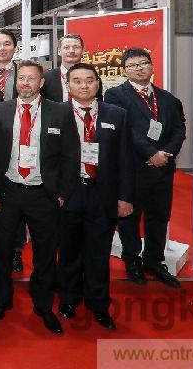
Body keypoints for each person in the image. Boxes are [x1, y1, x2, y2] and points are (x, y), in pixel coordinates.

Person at [0, 60, 79, 335]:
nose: (25, 83)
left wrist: (62, 192)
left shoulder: (60, 112)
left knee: (45, 253)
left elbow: (70, 155)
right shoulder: (1, 110)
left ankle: (43, 305)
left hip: (44, 194)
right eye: (21, 78)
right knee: (2, 250)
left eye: (31, 78)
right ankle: (2, 299)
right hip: (8, 192)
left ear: (41, 83)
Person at [57, 63, 133, 331]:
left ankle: (99, 304)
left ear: (98, 84)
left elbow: (126, 159)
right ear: (68, 84)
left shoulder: (117, 115)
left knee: (99, 253)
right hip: (68, 194)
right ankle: (68, 299)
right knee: (68, 251)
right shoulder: (57, 113)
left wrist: (125, 197)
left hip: (103, 194)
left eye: (89, 80)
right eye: (77, 81)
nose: (84, 85)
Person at [104, 48, 186, 289]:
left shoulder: (167, 98)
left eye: (143, 63)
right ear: (124, 70)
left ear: (151, 66)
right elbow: (124, 129)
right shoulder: (115, 95)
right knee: (129, 218)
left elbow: (179, 129)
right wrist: (151, 153)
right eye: (132, 65)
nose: (139, 68)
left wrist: (166, 153)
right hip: (133, 168)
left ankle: (154, 261)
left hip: (162, 170)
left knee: (159, 217)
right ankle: (132, 261)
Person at [42, 34, 103, 102]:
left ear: (83, 51)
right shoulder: (46, 78)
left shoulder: (93, 78)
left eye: (76, 47)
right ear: (59, 51)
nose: (71, 51)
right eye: (66, 47)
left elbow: (98, 104)